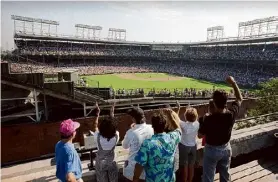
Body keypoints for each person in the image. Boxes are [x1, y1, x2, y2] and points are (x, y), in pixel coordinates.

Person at [198, 76, 243, 182]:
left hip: (211, 150)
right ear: (226, 102)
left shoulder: (208, 119)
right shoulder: (230, 115)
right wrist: (233, 83)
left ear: (214, 102)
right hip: (226, 148)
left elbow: (200, 135)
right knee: (225, 175)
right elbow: (240, 98)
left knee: (208, 178)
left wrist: (203, 120)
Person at [133, 109, 181, 182]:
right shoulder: (172, 138)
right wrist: (171, 116)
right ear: (165, 125)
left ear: (153, 126)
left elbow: (139, 165)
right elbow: (178, 130)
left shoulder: (147, 144)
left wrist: (135, 178)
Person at [122, 106, 154, 182]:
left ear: (133, 119)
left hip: (133, 171)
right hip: (149, 170)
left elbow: (124, 146)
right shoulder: (152, 128)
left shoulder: (131, 132)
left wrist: (131, 129)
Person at [91, 102, 119, 182]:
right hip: (112, 161)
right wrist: (112, 112)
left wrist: (97, 113)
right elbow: (112, 126)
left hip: (101, 162)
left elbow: (95, 125)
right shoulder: (116, 136)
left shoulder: (98, 137)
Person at [179, 107, 199, 182]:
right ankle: (190, 180)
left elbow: (176, 118)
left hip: (184, 147)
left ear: (185, 116)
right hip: (193, 146)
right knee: (191, 166)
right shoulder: (197, 124)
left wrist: (178, 108)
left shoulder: (183, 125)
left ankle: (185, 180)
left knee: (185, 166)